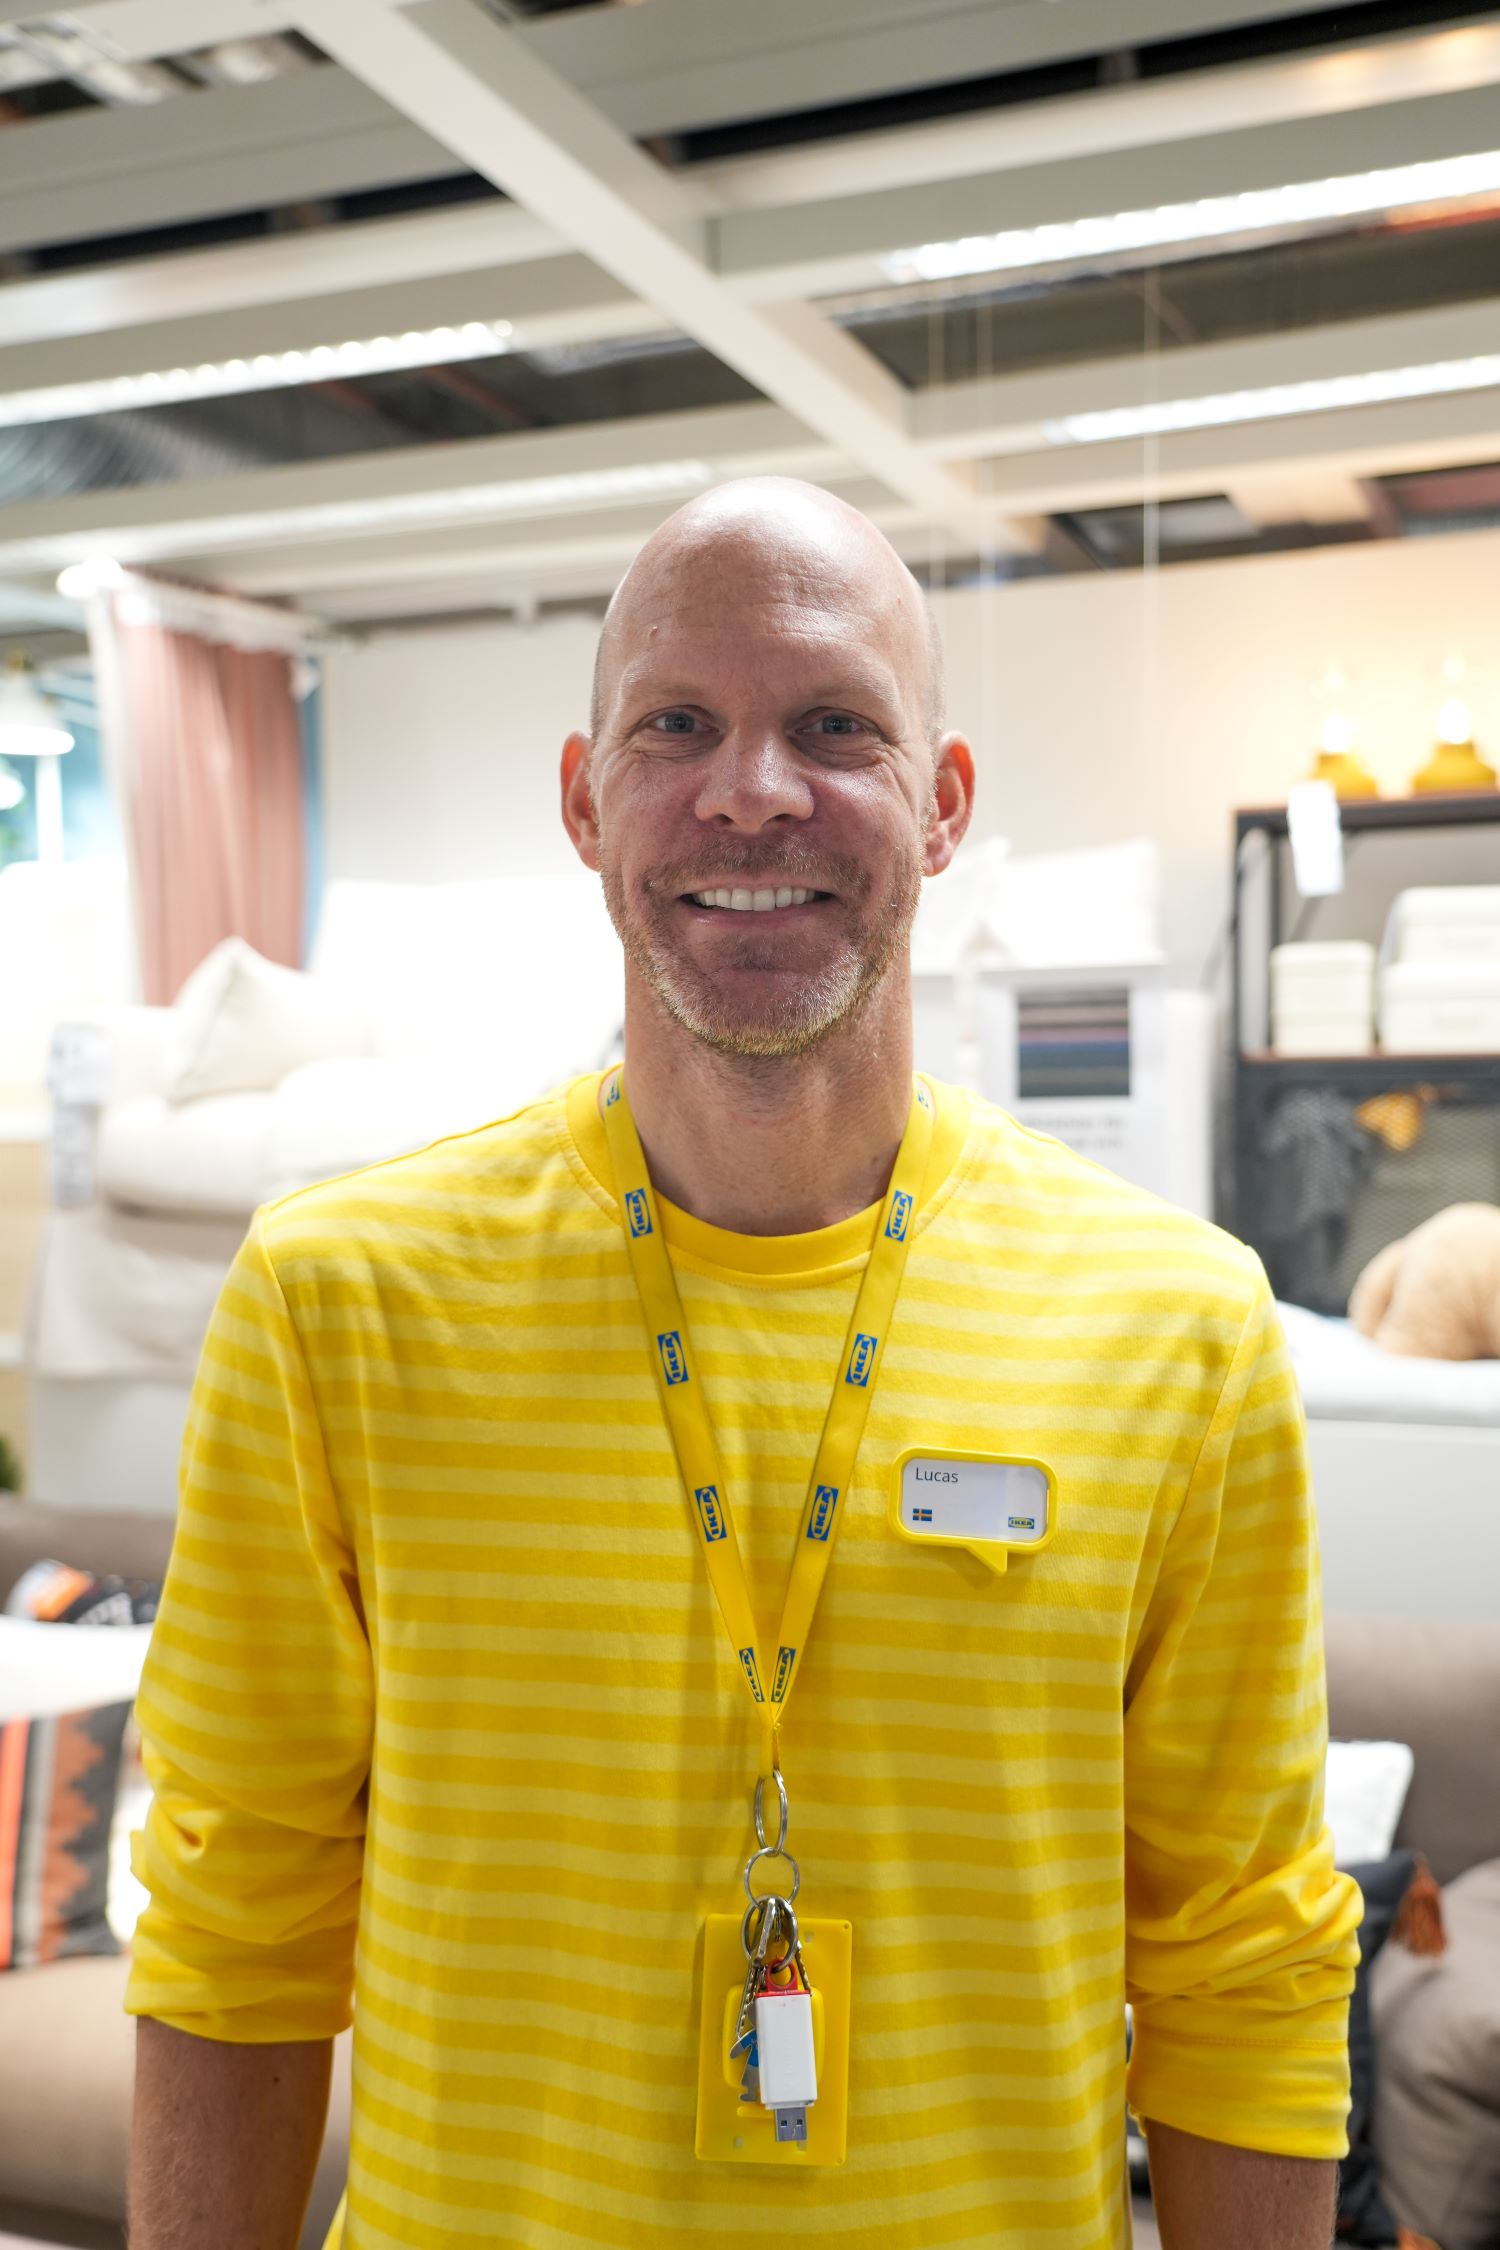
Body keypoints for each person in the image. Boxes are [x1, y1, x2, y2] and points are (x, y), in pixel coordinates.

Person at [126, 478, 1360, 2250]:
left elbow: (1243, 1961)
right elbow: (233, 1920)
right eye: (678, 725)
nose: (754, 790)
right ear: (584, 800)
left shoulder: (1182, 1328)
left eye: (836, 724)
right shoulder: (337, 1303)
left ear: (944, 803)